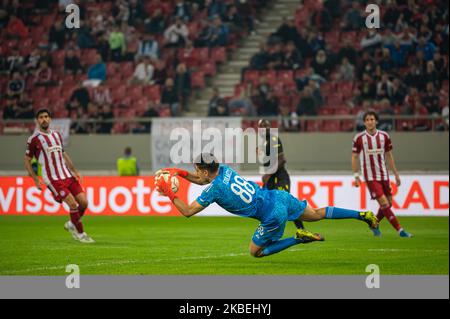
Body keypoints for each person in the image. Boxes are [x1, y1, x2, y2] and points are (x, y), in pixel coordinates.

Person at [155, 153, 379, 258]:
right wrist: (179, 173)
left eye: (197, 168)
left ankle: (298, 238)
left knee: (256, 252)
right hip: (279, 197)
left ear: (205, 170)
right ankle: (362, 214)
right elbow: (202, 178)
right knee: (318, 213)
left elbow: (187, 211)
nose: (196, 172)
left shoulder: (214, 189)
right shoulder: (223, 169)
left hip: (272, 214)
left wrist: (168, 192)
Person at [24, 108, 94, 243]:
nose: (44, 119)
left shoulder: (56, 135)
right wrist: (35, 178)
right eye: (41, 117)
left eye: (46, 116)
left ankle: (71, 224)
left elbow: (63, 153)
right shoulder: (34, 139)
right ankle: (80, 233)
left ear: (50, 119)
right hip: (53, 179)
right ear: (37, 120)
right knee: (73, 204)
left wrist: (74, 170)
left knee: (84, 203)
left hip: (66, 175)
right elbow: (27, 160)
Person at [352, 110, 413, 238]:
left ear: (376, 121)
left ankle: (374, 223)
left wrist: (396, 174)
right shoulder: (359, 138)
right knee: (384, 204)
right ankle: (400, 231)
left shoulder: (384, 136)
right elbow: (354, 157)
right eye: (367, 120)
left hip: (384, 175)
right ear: (364, 122)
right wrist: (356, 176)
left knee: (389, 204)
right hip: (370, 176)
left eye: (372, 119)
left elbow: (389, 155)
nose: (370, 122)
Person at [258, 119, 304, 230]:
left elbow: (282, 159)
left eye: (267, 125)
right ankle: (268, 232)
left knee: (286, 204)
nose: (265, 127)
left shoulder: (273, 139)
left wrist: (268, 174)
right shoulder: (264, 143)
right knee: (269, 206)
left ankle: (302, 230)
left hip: (280, 178)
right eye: (262, 126)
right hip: (271, 180)